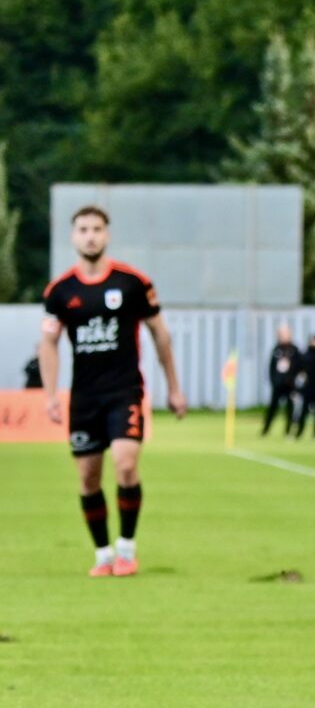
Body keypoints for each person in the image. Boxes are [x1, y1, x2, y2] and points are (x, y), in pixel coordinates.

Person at [38, 205, 187, 576]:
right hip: (84, 399)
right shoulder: (60, 292)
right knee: (88, 477)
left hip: (125, 392)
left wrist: (174, 387)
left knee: (125, 465)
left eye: (97, 229)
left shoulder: (131, 283)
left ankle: (126, 549)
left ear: (107, 235)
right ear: (73, 237)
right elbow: (48, 343)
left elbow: (160, 335)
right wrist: (50, 394)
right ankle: (103, 554)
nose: (90, 235)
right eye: (83, 229)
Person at [262, 324, 300, 437]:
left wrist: (293, 379)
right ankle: (265, 429)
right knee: (273, 407)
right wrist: (274, 381)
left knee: (290, 408)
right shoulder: (276, 349)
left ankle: (288, 431)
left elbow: (299, 366)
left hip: (290, 384)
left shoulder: (294, 350)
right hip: (278, 384)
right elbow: (271, 367)